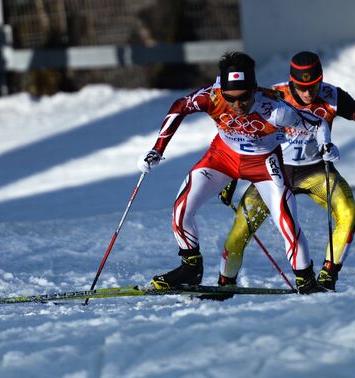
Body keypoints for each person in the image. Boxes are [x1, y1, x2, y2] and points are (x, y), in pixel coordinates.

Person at [137, 52, 340, 294]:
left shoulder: (274, 108)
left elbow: (317, 124)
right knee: (181, 208)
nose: (237, 105)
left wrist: (326, 144)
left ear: (254, 89)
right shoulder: (212, 97)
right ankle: (190, 268)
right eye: (229, 98)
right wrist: (157, 150)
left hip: (263, 163)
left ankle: (306, 280)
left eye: (244, 98)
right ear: (221, 88)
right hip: (222, 157)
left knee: (286, 220)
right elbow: (179, 107)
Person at [219, 51, 355, 291]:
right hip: (272, 171)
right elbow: (237, 128)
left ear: (321, 79)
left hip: (316, 171)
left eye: (313, 86)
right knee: (239, 230)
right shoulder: (273, 95)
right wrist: (230, 174)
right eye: (301, 87)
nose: (308, 93)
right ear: (291, 81)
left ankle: (327, 277)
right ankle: (225, 284)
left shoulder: (332, 96)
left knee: (347, 213)